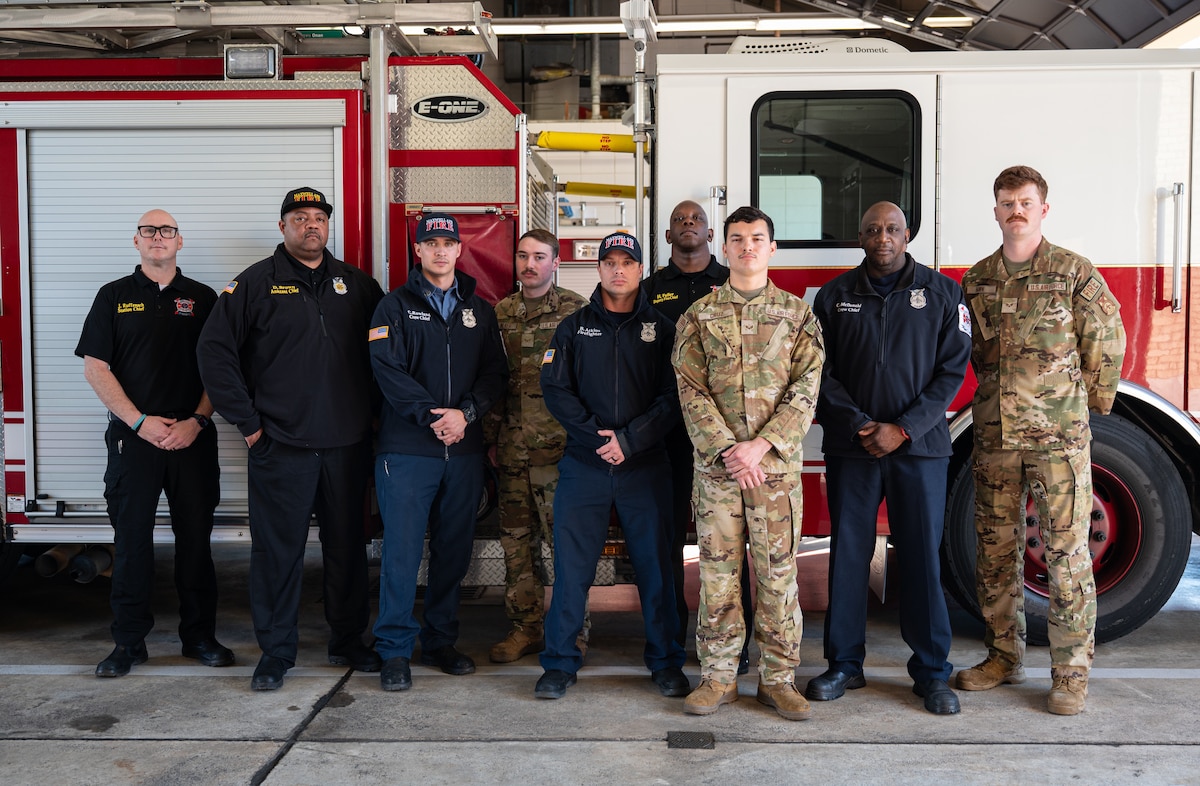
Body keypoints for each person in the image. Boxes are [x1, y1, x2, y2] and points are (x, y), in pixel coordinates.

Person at [197, 187, 385, 691]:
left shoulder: (359, 287)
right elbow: (215, 353)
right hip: (280, 446)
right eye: (300, 217)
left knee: (348, 549)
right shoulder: (255, 284)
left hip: (347, 447)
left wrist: (375, 421)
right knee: (277, 553)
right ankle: (276, 652)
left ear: (329, 226)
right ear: (283, 227)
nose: (311, 225)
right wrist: (250, 424)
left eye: (319, 217)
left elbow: (389, 359)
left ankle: (347, 641)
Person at [956, 165, 1125, 716]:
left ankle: (1070, 673)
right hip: (996, 437)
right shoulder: (977, 278)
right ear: (996, 209)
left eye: (1026, 202)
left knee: (1066, 556)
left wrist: (1087, 406)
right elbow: (976, 354)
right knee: (996, 551)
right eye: (1007, 202)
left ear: (1043, 209)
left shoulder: (1073, 272)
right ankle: (1003, 657)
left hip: (1058, 440)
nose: (1016, 211)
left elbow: (1105, 339)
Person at [807, 202, 971, 715]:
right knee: (849, 555)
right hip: (852, 448)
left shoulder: (945, 294)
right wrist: (859, 425)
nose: (883, 238)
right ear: (860, 236)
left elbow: (952, 373)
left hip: (919, 449)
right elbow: (817, 371)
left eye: (893, 229)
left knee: (922, 556)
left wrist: (903, 428)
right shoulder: (833, 297)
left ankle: (931, 672)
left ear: (907, 235)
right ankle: (844, 665)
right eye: (874, 229)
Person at [673, 205, 823, 720]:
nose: (747, 247)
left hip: (774, 473)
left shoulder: (798, 315)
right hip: (718, 473)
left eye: (757, 239)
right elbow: (689, 390)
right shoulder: (698, 316)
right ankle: (718, 677)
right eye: (737, 239)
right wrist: (729, 450)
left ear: (772, 248)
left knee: (778, 574)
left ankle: (778, 680)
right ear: (725, 247)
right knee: (718, 574)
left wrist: (761, 446)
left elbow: (807, 389)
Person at [76, 209, 231, 678]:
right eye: (149, 230)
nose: (158, 237)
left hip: (192, 440)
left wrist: (197, 422)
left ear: (180, 242)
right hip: (133, 441)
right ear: (136, 242)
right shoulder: (113, 296)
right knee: (133, 543)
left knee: (196, 546)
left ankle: (199, 637)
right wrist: (139, 422)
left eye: (167, 231)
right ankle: (128, 643)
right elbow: (95, 368)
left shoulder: (204, 298)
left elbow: (220, 369)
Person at [534, 231, 688, 700]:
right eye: (609, 262)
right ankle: (559, 663)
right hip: (586, 464)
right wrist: (598, 439)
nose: (618, 270)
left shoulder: (663, 330)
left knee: (657, 569)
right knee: (572, 569)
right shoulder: (573, 327)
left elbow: (674, 396)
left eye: (628, 262)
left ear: (642, 269)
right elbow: (556, 390)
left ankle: (666, 661)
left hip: (646, 467)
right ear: (597, 269)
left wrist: (631, 440)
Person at [369, 213, 508, 692]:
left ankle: (441, 641)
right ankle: (393, 650)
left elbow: (494, 375)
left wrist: (465, 414)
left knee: (453, 553)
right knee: (403, 555)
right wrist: (435, 416)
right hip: (407, 452)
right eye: (432, 243)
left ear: (460, 250)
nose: (441, 250)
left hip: (463, 453)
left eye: (449, 242)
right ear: (418, 252)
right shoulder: (392, 307)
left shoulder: (480, 311)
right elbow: (387, 374)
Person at [642, 200, 751, 668]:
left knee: (731, 544)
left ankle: (736, 645)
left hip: (724, 439)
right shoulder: (648, 290)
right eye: (679, 221)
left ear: (711, 236)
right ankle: (670, 642)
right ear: (668, 237)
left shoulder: (733, 284)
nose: (688, 225)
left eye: (697, 220)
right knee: (667, 543)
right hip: (667, 437)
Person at [484, 229, 588, 664]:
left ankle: (572, 632)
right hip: (510, 451)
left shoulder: (576, 312)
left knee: (565, 546)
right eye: (523, 256)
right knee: (516, 545)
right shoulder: (500, 312)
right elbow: (491, 380)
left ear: (556, 262)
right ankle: (524, 627)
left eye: (539, 257)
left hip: (559, 453)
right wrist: (489, 438)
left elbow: (589, 382)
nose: (530, 264)